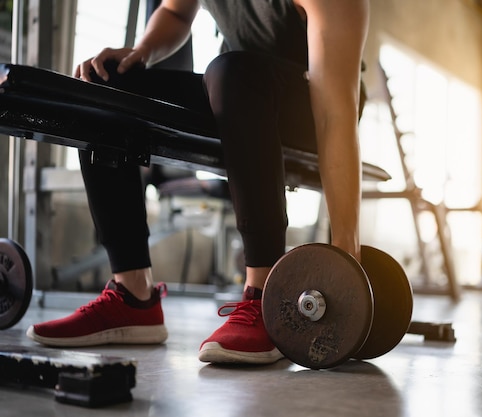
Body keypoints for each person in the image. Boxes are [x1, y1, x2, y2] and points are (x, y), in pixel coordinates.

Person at [27, 0, 369, 365]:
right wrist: (141, 52)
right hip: (233, 92)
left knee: (232, 71)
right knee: (107, 83)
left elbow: (336, 116)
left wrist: (347, 255)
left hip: (310, 100)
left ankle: (266, 296)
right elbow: (175, 12)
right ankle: (133, 296)